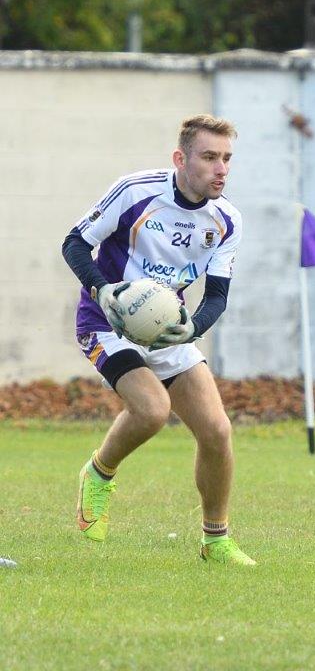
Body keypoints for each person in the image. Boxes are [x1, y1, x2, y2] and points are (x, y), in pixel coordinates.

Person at [61, 114, 254, 566]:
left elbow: (218, 295)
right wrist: (103, 290)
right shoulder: (135, 191)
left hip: (166, 328)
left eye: (226, 158)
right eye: (209, 157)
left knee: (217, 431)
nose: (221, 168)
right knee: (151, 410)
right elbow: (74, 243)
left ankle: (216, 541)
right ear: (180, 159)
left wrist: (193, 329)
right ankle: (99, 473)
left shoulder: (226, 219)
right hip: (106, 321)